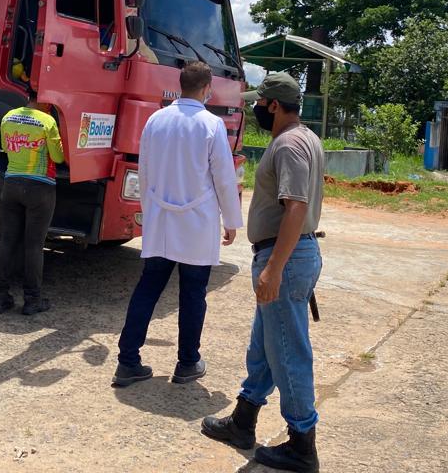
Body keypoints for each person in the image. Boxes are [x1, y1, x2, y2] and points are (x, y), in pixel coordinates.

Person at [202, 72, 324, 473]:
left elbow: (296, 207)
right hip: (290, 255)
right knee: (266, 347)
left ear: (273, 105)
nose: (255, 109)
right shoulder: (305, 138)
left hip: (284, 258)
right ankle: (243, 421)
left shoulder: (288, 144)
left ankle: (302, 445)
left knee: (288, 354)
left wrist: (274, 268)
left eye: (259, 103)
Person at [112, 61, 242, 387]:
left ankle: (127, 362)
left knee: (148, 287)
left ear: (180, 85)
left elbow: (144, 171)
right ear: (207, 88)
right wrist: (231, 220)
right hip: (197, 222)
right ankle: (187, 363)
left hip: (161, 220)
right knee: (193, 293)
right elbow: (224, 178)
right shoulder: (211, 125)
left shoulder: (156, 119)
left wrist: (151, 210)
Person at [0, 93, 65, 315]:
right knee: (33, 246)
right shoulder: (47, 121)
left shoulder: (8, 117)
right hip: (40, 188)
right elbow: (58, 157)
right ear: (44, 99)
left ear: (27, 96)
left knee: (7, 241)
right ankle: (32, 300)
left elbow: (7, 148)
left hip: (11, 184)